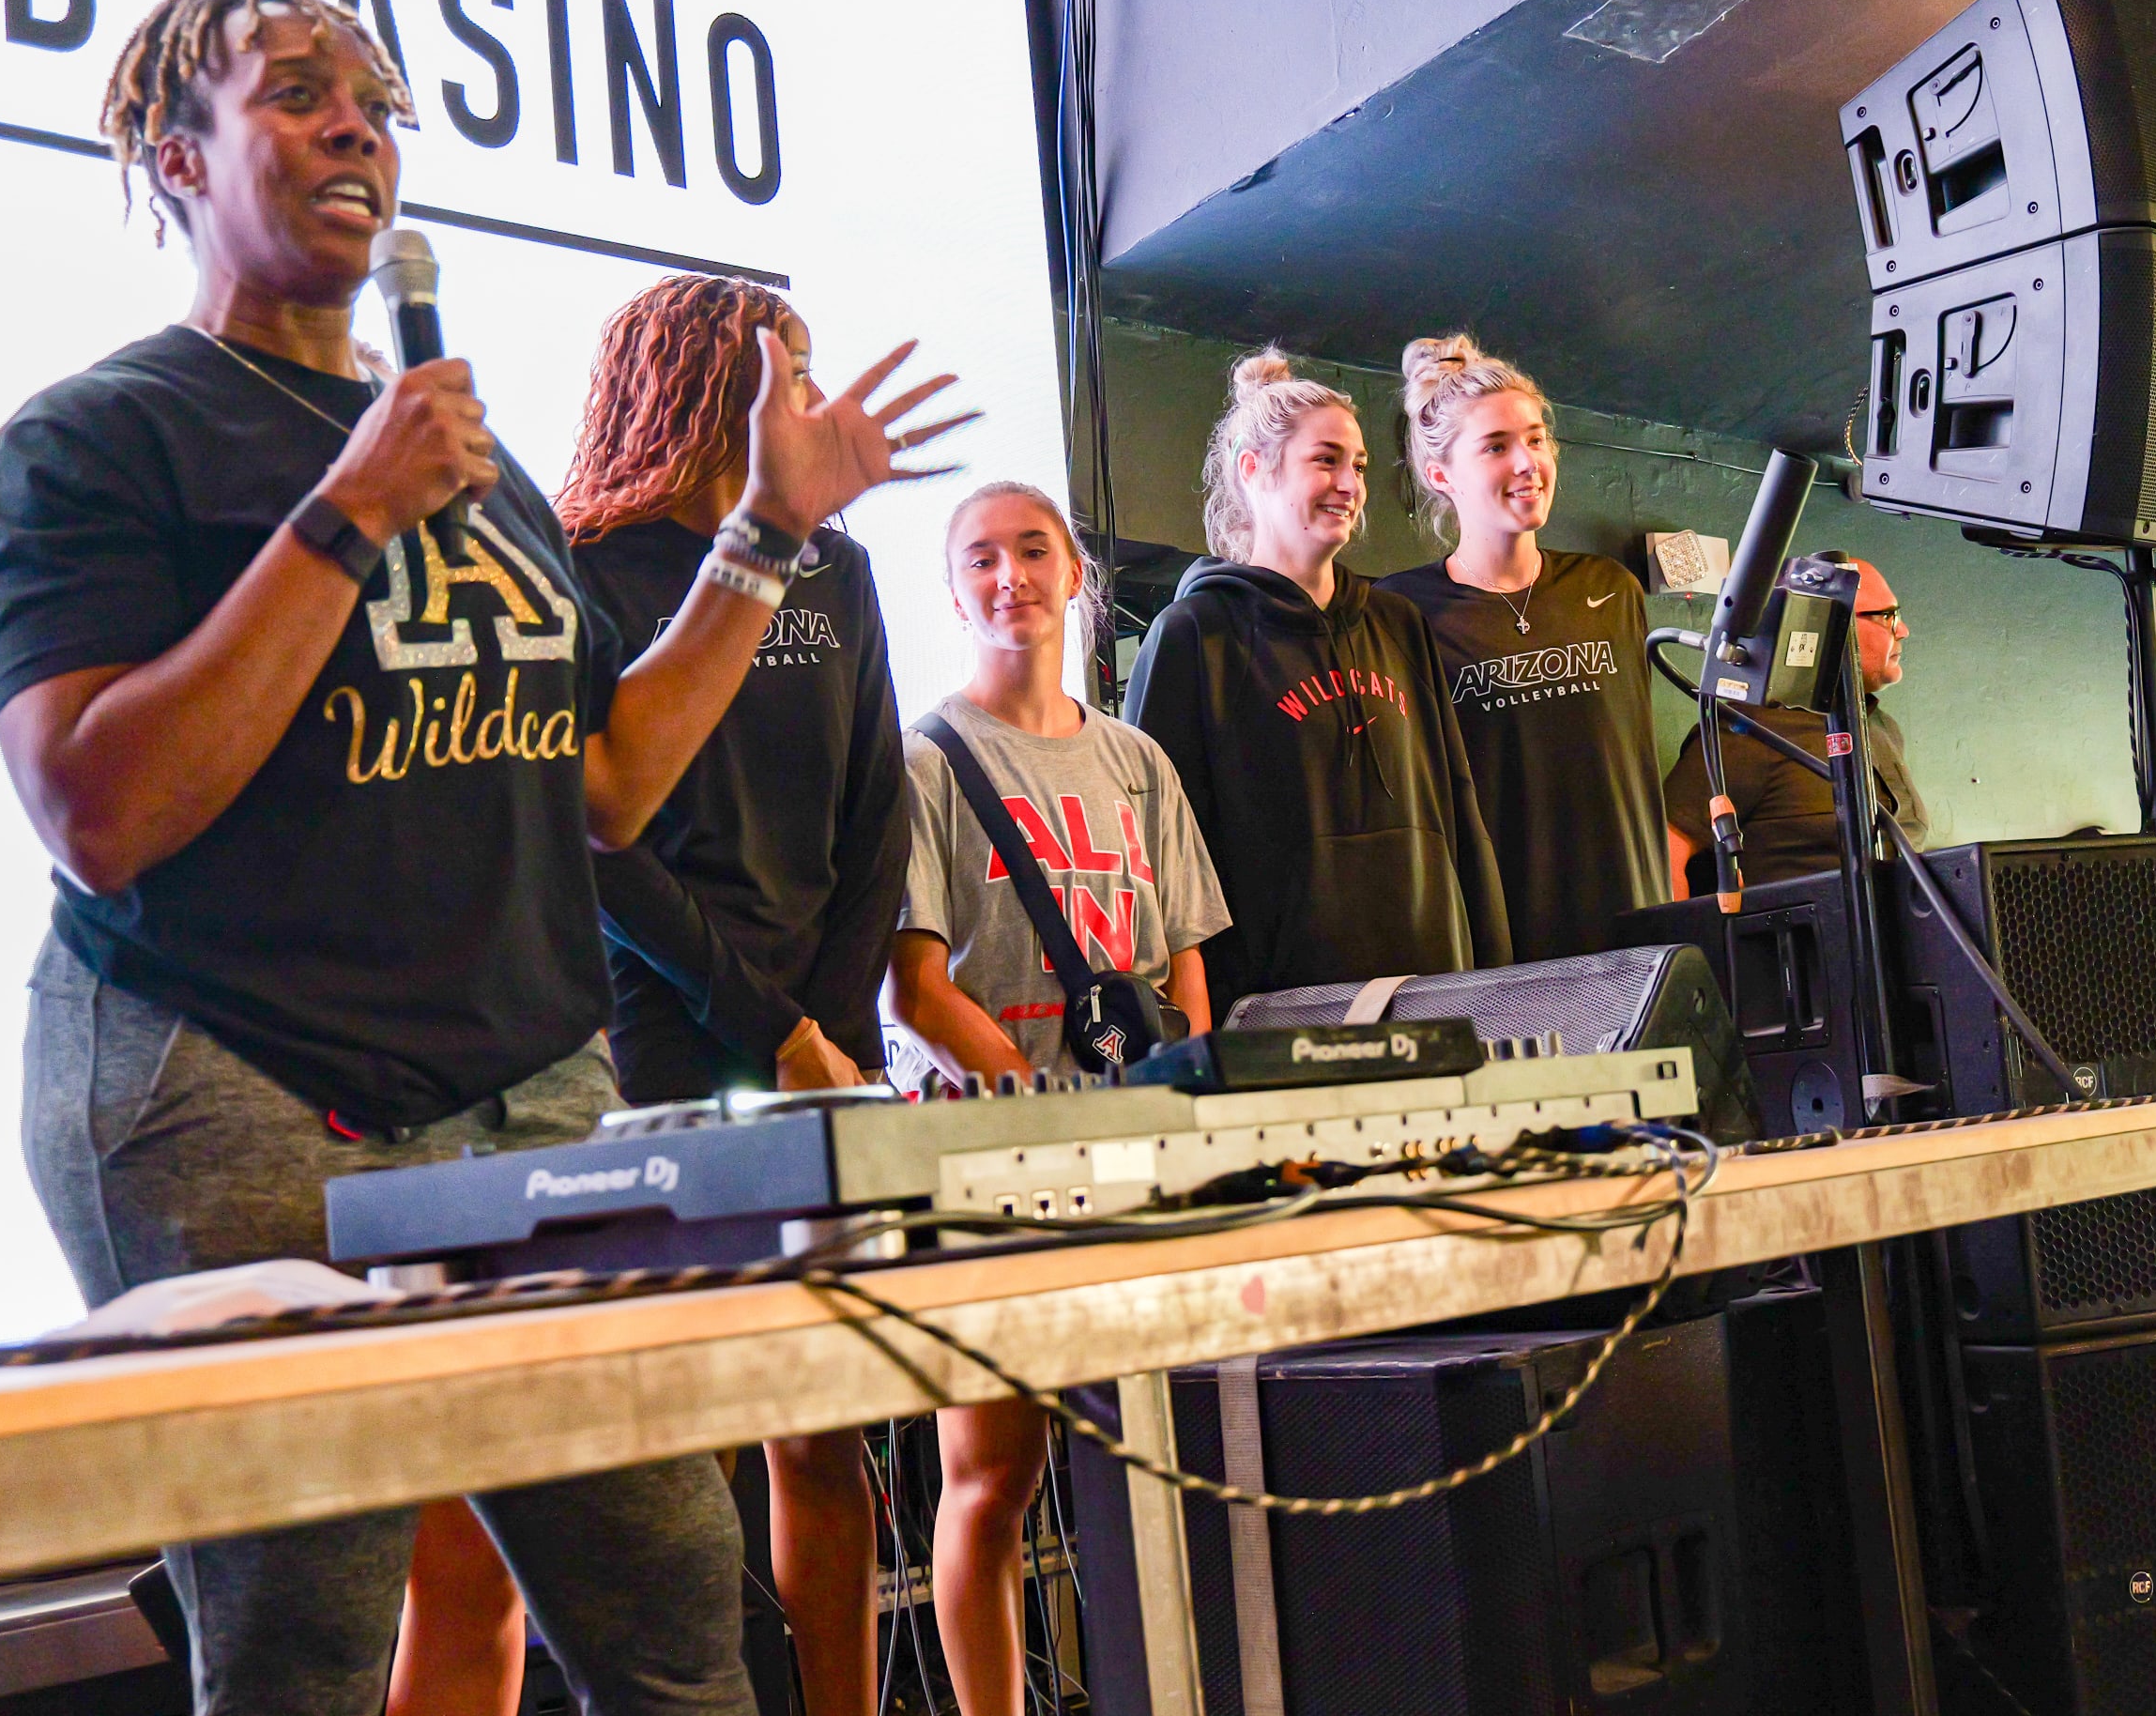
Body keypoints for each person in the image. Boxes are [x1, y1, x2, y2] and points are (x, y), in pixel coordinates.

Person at [0, 0, 965, 1716]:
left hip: (524, 1105)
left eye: (375, 101)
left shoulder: (487, 475)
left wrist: (762, 527)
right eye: (297, 93)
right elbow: (98, 812)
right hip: (237, 1091)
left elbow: (606, 785)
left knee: (678, 1610)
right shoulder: (102, 436)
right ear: (175, 157)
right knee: (308, 1647)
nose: (355, 126)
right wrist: (350, 508)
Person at [385, 277, 917, 1716]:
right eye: (776, 371)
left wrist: (833, 1032)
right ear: (691, 382)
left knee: (823, 1432)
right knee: (686, 1441)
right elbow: (603, 840)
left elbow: (880, 816)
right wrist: (771, 1026)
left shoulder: (838, 570)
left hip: (822, 1048)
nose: (800, 399)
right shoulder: (582, 568)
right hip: (657, 1041)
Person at [886, 481, 1230, 1716]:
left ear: (1076, 572)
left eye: (1032, 550)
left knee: (1159, 1462)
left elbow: (1184, 961)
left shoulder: (1136, 762)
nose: (1009, 577)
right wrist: (1041, 1112)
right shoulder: (924, 760)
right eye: (980, 558)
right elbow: (916, 986)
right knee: (991, 1474)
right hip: (988, 1165)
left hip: (1138, 1155)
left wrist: (1181, 1097)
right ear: (952, 590)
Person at [1122, 348, 1508, 1006]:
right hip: (1277, 1008)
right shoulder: (1195, 635)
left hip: (1431, 989)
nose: (1350, 484)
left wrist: (1494, 982)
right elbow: (1159, 852)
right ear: (1254, 470)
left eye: (1358, 465)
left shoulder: (1398, 623)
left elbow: (1459, 810)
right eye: (1325, 460)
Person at [1377, 335, 1671, 957]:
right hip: (1501, 950)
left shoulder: (1609, 589)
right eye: (1496, 446)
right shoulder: (1400, 613)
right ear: (1439, 474)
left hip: (1632, 933)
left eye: (1536, 440)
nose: (1526, 463)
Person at [1662, 558, 1930, 890]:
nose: (1902, 631)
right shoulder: (1747, 732)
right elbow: (1666, 856)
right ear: (1823, 624)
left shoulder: (1881, 727)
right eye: (1887, 616)